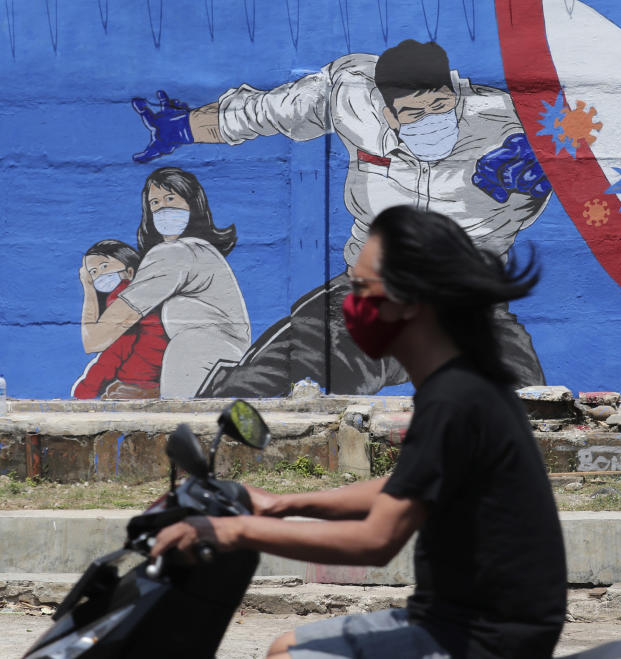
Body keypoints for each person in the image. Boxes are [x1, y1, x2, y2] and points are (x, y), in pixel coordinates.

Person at [151, 206, 568, 659]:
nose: (349, 305)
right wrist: (284, 503)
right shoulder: (459, 384)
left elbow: (375, 541)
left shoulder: (456, 398)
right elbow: (402, 486)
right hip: (456, 617)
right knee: (284, 644)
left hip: (485, 636)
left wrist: (233, 531)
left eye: (362, 289)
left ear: (410, 299)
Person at [130, 39, 552, 397]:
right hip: (370, 296)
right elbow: (265, 112)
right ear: (387, 112)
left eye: (441, 105)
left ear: (455, 90)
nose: (433, 120)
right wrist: (182, 127)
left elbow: (596, 157)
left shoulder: (512, 124)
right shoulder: (350, 94)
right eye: (414, 113)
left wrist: (550, 169)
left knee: (533, 412)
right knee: (251, 398)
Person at [80, 168, 251, 399]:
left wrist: (89, 286)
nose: (162, 208)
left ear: (192, 204)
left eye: (170, 199)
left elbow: (96, 339)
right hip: (217, 362)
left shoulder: (175, 254)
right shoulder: (201, 250)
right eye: (155, 203)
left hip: (197, 358)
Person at [73, 240, 168, 399]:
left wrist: (84, 392)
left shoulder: (127, 301)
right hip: (150, 377)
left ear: (130, 272)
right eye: (93, 272)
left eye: (104, 267)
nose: (100, 275)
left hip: (140, 381)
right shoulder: (145, 300)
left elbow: (111, 354)